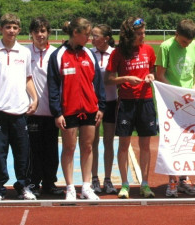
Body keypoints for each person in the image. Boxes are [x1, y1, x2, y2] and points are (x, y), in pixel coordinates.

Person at [0, 17, 64, 198]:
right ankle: (32, 184)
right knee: (31, 152)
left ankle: (49, 183)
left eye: (43, 31)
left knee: (51, 151)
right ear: (30, 33)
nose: (40, 35)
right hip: (30, 111)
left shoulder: (56, 53)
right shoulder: (25, 51)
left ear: (48, 33)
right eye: (36, 31)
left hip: (51, 110)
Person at [0, 13, 38, 201]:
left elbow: (28, 78)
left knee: (22, 152)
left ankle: (23, 187)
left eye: (14, 27)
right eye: (8, 27)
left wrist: (34, 98)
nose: (11, 30)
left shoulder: (25, 52)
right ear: (1, 29)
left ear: (19, 30)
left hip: (20, 110)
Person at [47, 17, 106, 200]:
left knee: (87, 147)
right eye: (86, 34)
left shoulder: (89, 54)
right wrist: (57, 112)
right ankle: (70, 187)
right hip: (68, 110)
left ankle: (86, 186)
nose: (89, 38)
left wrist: (101, 107)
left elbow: (98, 83)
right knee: (69, 148)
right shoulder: (58, 55)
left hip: (89, 109)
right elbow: (53, 87)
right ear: (75, 33)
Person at [105, 17, 157, 199]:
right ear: (129, 35)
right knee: (124, 144)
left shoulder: (149, 50)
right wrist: (126, 79)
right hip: (126, 102)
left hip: (146, 101)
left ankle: (145, 184)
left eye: (143, 32)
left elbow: (153, 71)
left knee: (145, 144)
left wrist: (151, 76)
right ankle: (125, 184)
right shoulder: (118, 53)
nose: (143, 36)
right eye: (139, 33)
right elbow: (109, 79)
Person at [156, 19, 195, 198]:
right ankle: (172, 180)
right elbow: (160, 75)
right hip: (170, 101)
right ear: (176, 35)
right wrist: (176, 93)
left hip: (189, 101)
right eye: (184, 42)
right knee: (171, 140)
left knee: (188, 140)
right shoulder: (165, 47)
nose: (186, 45)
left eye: (189, 42)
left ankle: (184, 178)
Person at [90, 24, 118, 194]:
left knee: (108, 141)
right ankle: (94, 179)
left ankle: (107, 179)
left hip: (111, 102)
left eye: (96, 36)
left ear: (106, 38)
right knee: (92, 142)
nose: (92, 39)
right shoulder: (88, 53)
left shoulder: (115, 54)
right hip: (92, 104)